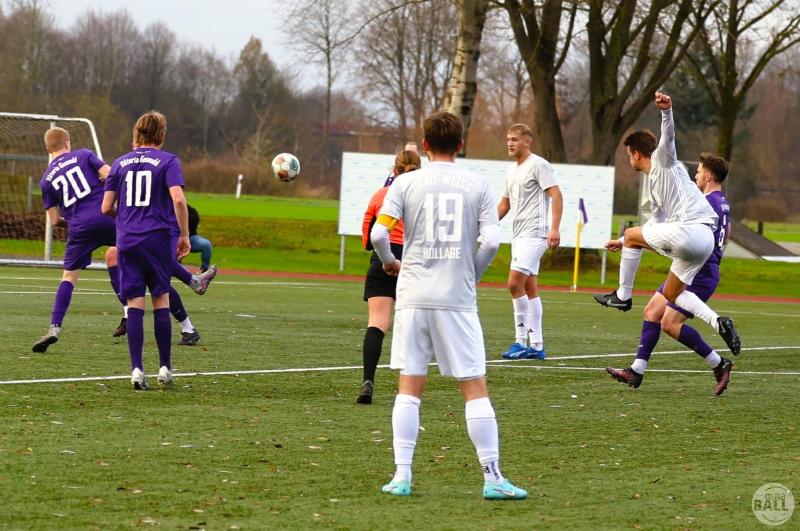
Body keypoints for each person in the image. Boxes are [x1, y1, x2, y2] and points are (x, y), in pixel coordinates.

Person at [370, 111, 526, 500]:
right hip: (456, 298)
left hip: (413, 296)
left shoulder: (405, 182)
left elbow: (379, 233)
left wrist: (389, 262)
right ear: (460, 145)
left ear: (424, 145)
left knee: (409, 387)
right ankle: (492, 478)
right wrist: (472, 272)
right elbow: (491, 242)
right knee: (474, 386)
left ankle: (401, 476)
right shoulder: (478, 183)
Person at [594, 92, 741, 374]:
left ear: (636, 154)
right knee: (672, 294)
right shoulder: (653, 187)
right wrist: (625, 242)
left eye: (628, 155)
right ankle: (718, 322)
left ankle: (623, 296)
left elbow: (669, 136)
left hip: (691, 234)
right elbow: (655, 224)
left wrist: (666, 111)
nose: (629, 160)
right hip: (704, 241)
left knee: (634, 235)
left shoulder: (662, 159)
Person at [605, 154, 734, 393]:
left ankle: (719, 362)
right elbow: (727, 235)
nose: (695, 176)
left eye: (698, 172)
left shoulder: (704, 203)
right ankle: (636, 371)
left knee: (670, 323)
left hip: (699, 272)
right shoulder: (722, 203)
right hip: (700, 267)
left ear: (707, 176)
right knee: (652, 312)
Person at [101, 111, 190, 390]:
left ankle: (137, 371)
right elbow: (178, 199)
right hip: (157, 239)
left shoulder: (119, 163)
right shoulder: (168, 161)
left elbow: (106, 207)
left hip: (127, 240)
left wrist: (126, 218)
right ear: (161, 135)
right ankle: (164, 368)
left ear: (136, 134)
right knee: (160, 300)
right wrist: (184, 234)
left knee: (134, 305)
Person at [32, 127, 116, 353]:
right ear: (67, 143)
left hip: (79, 228)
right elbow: (112, 175)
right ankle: (190, 280)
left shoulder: (46, 180)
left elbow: (54, 220)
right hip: (106, 217)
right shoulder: (84, 154)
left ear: (47, 149)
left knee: (68, 277)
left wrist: (72, 220)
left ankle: (54, 328)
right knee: (141, 252)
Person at [356, 149, 421, 405]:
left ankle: (368, 380)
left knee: (377, 323)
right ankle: (408, 389)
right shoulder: (424, 199)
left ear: (393, 171)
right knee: (413, 326)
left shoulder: (380, 196)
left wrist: (386, 258)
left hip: (382, 261)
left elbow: (367, 239)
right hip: (412, 262)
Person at [497, 124, 563, 360]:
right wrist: (485, 224)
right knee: (529, 288)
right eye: (508, 139)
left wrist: (554, 228)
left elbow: (556, 195)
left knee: (514, 283)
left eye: (514, 139)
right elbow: (504, 204)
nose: (510, 143)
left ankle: (520, 341)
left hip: (535, 234)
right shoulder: (511, 170)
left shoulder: (539, 165)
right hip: (519, 236)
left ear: (527, 141)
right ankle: (536, 346)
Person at [187, 204, 213, 273]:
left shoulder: (191, 211)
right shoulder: (167, 209)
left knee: (206, 244)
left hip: (191, 238)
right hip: (172, 238)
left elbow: (194, 223)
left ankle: (204, 270)